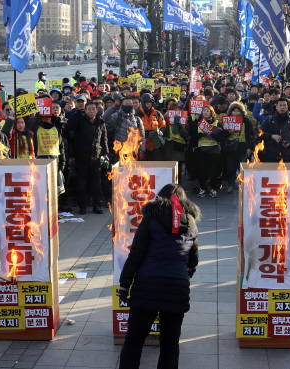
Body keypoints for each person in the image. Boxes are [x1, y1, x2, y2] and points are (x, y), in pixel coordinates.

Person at [118, 184, 200, 369]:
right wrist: (186, 277)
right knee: (170, 345)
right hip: (177, 289)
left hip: (147, 287)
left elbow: (136, 255)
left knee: (134, 342)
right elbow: (193, 259)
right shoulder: (191, 224)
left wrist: (125, 285)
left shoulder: (150, 219)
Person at [64, 101, 109, 215]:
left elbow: (104, 139)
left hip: (96, 158)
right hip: (81, 157)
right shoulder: (79, 120)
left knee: (96, 184)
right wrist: (77, 114)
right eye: (89, 109)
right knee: (82, 184)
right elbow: (69, 127)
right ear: (85, 111)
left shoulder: (101, 122)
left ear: (97, 110)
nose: (91, 111)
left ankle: (96, 205)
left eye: (93, 109)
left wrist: (106, 153)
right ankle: (82, 206)